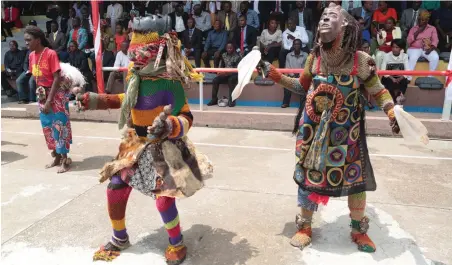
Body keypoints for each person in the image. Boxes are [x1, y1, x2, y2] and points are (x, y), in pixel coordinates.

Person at [260, 3, 400, 253]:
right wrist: (275, 75)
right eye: (322, 16)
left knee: (355, 181)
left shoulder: (361, 61)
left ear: (344, 25)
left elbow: (378, 91)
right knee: (306, 180)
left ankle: (358, 230)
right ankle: (304, 227)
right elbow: (302, 86)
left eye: (331, 16)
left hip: (347, 136)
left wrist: (391, 111)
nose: (324, 19)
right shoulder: (314, 57)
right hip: (312, 133)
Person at [75, 15, 211, 265]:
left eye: (142, 49)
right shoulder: (134, 76)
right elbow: (128, 99)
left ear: (160, 49)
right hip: (135, 145)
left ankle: (176, 243)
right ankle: (119, 238)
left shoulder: (170, 81)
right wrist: (96, 100)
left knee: (163, 200)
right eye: (133, 47)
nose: (134, 54)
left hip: (164, 149)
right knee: (116, 186)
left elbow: (186, 117)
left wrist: (169, 125)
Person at [24, 26, 73, 173]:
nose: (26, 43)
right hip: (42, 95)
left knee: (60, 125)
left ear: (38, 40)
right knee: (47, 126)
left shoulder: (50, 54)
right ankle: (56, 156)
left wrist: (49, 101)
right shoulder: (31, 55)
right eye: (25, 40)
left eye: (29, 40)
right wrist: (40, 97)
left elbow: (57, 78)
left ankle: (65, 160)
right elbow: (35, 75)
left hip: (55, 95)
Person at [207, 42, 241, 107]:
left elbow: (238, 69)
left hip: (234, 74)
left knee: (231, 80)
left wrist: (227, 73)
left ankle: (232, 100)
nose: (229, 49)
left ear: (233, 48)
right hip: (225, 74)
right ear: (226, 48)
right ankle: (214, 99)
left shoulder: (237, 56)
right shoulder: (224, 55)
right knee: (215, 80)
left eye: (231, 48)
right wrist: (220, 72)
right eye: (228, 48)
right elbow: (221, 66)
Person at [280, 39, 308, 108]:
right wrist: (293, 75)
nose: (296, 46)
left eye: (298, 44)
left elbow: (306, 67)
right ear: (293, 45)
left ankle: (302, 104)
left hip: (302, 76)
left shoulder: (305, 55)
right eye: (295, 44)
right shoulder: (288, 55)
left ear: (301, 46)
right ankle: (286, 103)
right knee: (286, 83)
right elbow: (287, 67)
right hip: (291, 76)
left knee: (304, 85)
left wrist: (299, 75)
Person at [381, 39, 410, 104]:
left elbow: (407, 70)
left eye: (397, 47)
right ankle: (394, 100)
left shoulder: (405, 56)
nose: (394, 49)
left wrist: (400, 78)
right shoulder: (386, 56)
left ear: (401, 48)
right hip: (389, 77)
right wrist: (392, 78)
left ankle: (398, 97)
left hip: (400, 77)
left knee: (404, 82)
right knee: (388, 83)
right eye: (393, 47)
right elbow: (383, 70)